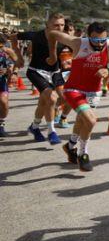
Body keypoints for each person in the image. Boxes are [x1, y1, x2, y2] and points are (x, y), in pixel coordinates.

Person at [47, 22, 109, 171]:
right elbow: (52, 34)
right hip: (73, 89)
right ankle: (83, 154)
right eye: (95, 40)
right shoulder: (77, 43)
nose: (100, 44)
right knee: (90, 120)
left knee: (83, 121)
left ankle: (70, 146)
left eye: (103, 40)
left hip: (93, 91)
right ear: (88, 37)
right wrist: (52, 56)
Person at [11, 12, 66, 144]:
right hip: (36, 71)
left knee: (54, 100)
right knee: (52, 98)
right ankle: (52, 131)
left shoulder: (65, 38)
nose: (59, 28)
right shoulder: (36, 35)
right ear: (47, 25)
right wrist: (18, 57)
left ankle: (35, 127)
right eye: (56, 25)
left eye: (62, 25)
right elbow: (13, 37)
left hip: (55, 73)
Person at [0, 35, 19, 137]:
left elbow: (18, 61)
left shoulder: (6, 50)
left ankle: (1, 122)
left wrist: (14, 73)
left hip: (1, 81)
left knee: (3, 102)